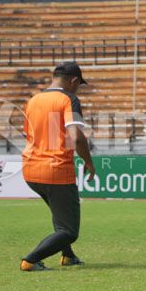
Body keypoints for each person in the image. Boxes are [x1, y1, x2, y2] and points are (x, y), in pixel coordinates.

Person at [20, 61, 95, 271]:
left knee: (59, 216)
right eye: (79, 84)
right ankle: (31, 260)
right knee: (69, 231)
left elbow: (29, 135)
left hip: (30, 170)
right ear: (73, 81)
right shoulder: (69, 99)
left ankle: (68, 256)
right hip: (56, 171)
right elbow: (77, 138)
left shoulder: (33, 100)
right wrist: (88, 161)